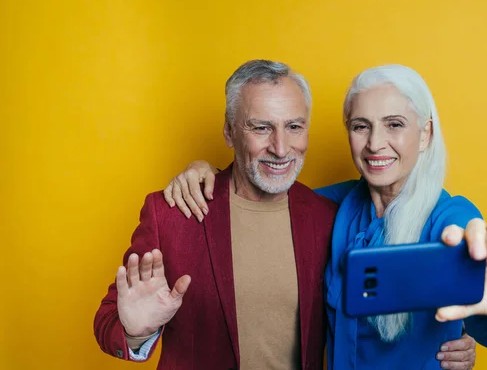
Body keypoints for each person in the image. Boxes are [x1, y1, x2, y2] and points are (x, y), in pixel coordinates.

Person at [164, 64, 487, 369]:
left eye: (395, 125)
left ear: (425, 134)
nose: (375, 143)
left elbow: (482, 301)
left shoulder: (450, 220)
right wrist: (205, 171)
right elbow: (265, 193)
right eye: (360, 126)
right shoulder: (332, 207)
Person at [94, 60, 340, 369]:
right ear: (229, 131)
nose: (280, 148)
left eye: (294, 126)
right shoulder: (173, 213)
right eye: (261, 127)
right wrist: (135, 333)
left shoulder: (329, 218)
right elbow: (108, 321)